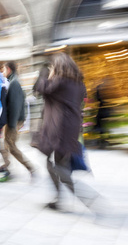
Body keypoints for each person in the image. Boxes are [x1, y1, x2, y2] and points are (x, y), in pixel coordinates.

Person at [35, 53, 102, 213]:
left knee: (57, 166)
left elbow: (41, 88)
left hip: (59, 128)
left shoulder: (60, 80)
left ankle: (86, 197)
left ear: (58, 66)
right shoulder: (78, 83)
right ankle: (59, 200)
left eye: (53, 66)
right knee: (58, 163)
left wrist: (46, 74)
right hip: (71, 128)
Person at [0, 61, 35, 182]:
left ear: (8, 69)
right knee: (6, 145)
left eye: (3, 70)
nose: (3, 73)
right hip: (13, 121)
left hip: (13, 121)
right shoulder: (14, 82)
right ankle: (7, 168)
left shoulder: (14, 83)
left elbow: (15, 105)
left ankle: (30, 168)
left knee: (11, 147)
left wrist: (12, 125)